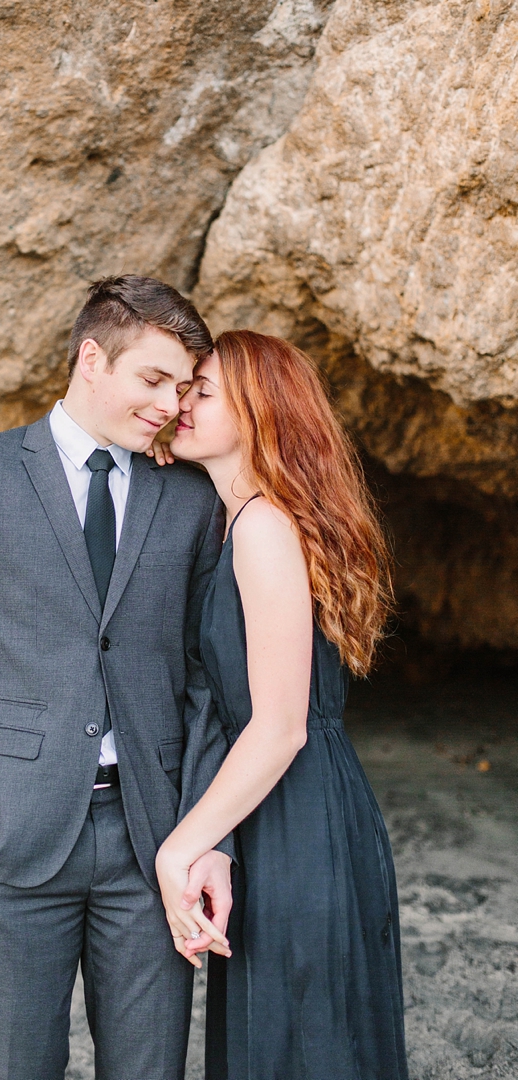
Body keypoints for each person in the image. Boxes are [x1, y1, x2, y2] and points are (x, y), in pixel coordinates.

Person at [0, 275, 234, 1080]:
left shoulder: (189, 498)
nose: (168, 404)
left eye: (182, 388)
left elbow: (205, 675)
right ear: (91, 358)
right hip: (4, 831)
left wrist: (200, 830)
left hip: (153, 843)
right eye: (152, 379)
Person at [152, 330, 409, 1079]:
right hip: (291, 809)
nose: (182, 403)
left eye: (204, 391)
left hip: (298, 815)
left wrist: (180, 847)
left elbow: (280, 727)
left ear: (260, 411)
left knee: (302, 1037)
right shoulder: (244, 516)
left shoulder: (264, 527)